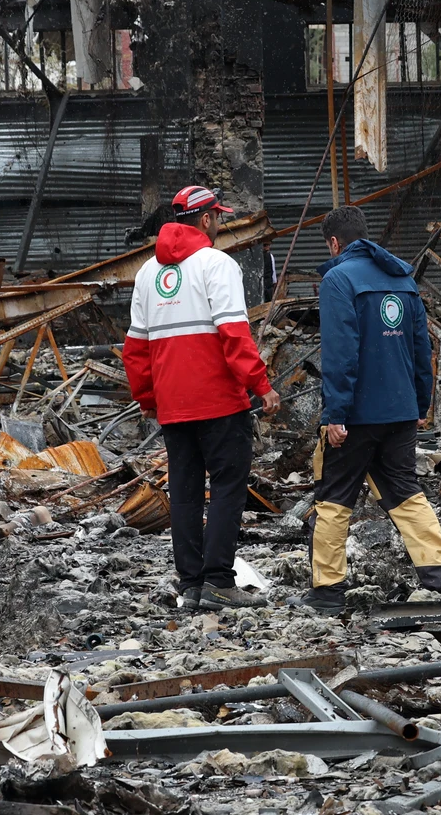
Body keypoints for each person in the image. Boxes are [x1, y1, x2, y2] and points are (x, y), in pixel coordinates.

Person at [123, 185, 279, 611]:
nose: (220, 224)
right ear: (206, 219)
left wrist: (148, 398)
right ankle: (218, 582)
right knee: (229, 488)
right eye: (219, 217)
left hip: (174, 406)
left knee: (186, 493)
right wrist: (261, 385)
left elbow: (135, 348)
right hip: (220, 403)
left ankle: (190, 583)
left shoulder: (146, 273)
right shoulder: (217, 264)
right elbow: (234, 335)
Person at [299, 206, 441, 614]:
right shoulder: (403, 279)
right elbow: (422, 348)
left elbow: (340, 353)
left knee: (334, 499)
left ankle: (328, 593)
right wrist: (420, 402)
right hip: (401, 411)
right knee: (405, 493)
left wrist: (336, 414)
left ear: (334, 244)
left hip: (356, 416)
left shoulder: (337, 279)